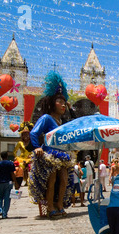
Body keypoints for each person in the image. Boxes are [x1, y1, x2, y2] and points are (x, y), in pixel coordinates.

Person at [28, 71, 75, 218]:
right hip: (50, 154)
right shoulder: (46, 118)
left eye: (63, 102)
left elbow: (74, 125)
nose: (62, 105)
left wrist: (70, 107)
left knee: (64, 180)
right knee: (52, 180)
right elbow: (33, 133)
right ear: (51, 103)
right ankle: (49, 207)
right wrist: (36, 147)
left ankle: (60, 204)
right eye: (59, 102)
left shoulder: (62, 122)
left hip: (62, 155)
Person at [0, 151, 18, 219]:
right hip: (8, 182)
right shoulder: (10, 163)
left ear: (1, 156)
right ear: (7, 156)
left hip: (0, 183)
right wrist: (15, 182)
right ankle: (4, 214)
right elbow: (12, 174)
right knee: (7, 198)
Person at [13, 121, 34, 186]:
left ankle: (29, 181)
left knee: (29, 168)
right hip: (22, 159)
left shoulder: (32, 142)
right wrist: (16, 157)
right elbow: (14, 151)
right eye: (24, 134)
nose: (26, 136)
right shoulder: (20, 143)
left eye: (27, 134)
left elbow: (34, 150)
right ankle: (22, 180)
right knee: (21, 167)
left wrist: (32, 156)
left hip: (30, 158)